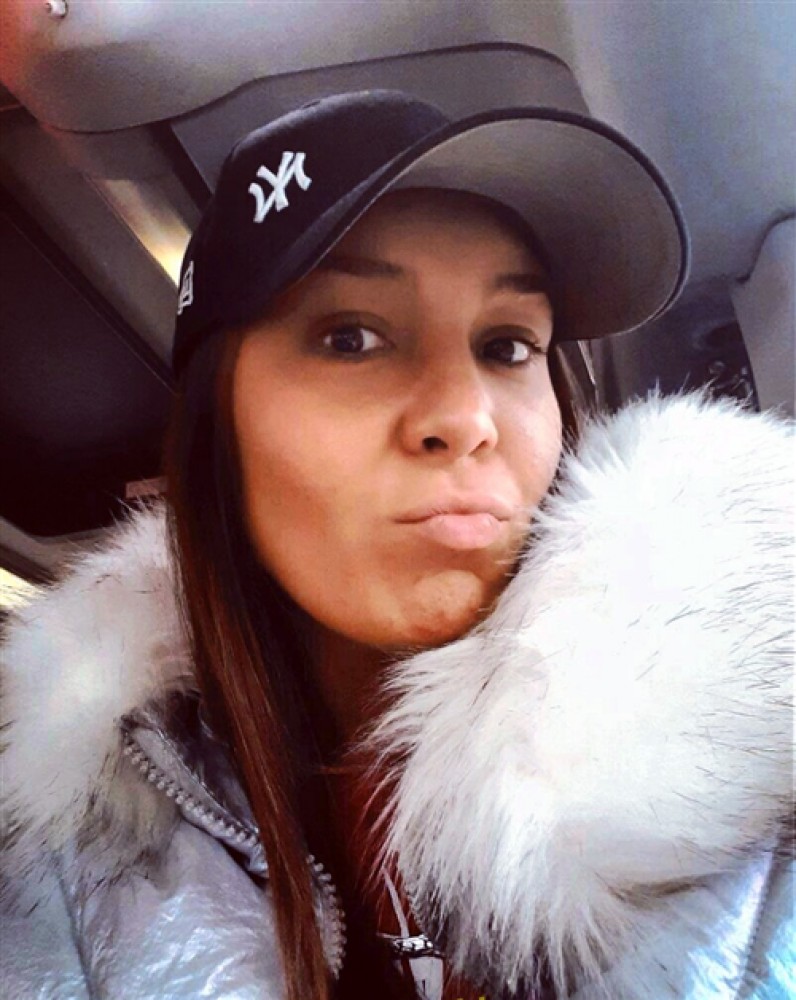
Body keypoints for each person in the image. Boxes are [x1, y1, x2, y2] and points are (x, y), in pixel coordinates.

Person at [1, 90, 792, 1000]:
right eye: (351, 338)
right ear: (218, 433)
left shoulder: (748, 776)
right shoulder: (58, 859)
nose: (465, 417)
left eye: (507, 346)